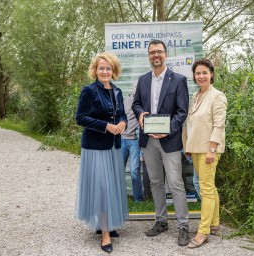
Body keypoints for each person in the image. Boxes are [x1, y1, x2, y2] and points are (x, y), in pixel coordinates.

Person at [132, 39, 190, 246]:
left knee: (175, 183)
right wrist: (140, 115)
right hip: (148, 141)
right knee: (155, 182)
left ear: (166, 54)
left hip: (169, 140)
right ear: (149, 56)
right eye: (152, 52)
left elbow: (182, 112)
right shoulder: (143, 79)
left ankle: (183, 226)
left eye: (159, 52)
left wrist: (168, 130)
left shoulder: (178, 80)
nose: (155, 55)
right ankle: (161, 221)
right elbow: (136, 104)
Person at [75, 52, 129, 253]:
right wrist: (106, 126)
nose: (105, 71)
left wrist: (123, 122)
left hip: (114, 147)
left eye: (108, 68)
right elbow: (80, 118)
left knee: (111, 187)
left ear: (113, 71)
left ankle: (106, 225)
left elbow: (122, 113)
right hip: (95, 147)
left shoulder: (117, 91)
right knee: (103, 189)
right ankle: (105, 233)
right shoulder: (89, 91)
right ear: (95, 70)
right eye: (101, 68)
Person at [182, 58, 227, 248]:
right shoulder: (196, 96)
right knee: (210, 186)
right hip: (197, 148)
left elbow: (219, 124)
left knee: (206, 189)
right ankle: (215, 224)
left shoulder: (217, 96)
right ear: (194, 76)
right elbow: (192, 123)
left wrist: (212, 149)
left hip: (209, 149)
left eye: (204, 73)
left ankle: (203, 232)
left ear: (211, 74)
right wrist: (189, 146)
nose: (201, 76)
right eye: (198, 73)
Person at [121, 80, 144, 202]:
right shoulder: (124, 100)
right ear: (132, 87)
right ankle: (119, 198)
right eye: (136, 86)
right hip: (121, 139)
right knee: (119, 170)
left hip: (135, 141)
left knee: (135, 171)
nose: (138, 88)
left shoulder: (143, 102)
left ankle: (138, 200)